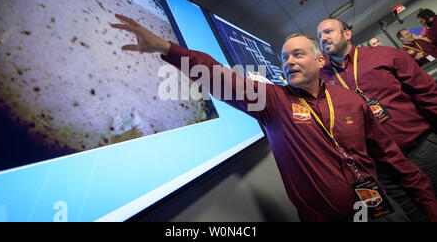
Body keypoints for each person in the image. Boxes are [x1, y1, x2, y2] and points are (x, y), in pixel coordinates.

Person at [110, 14, 437, 222]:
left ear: (320, 60)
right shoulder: (274, 102)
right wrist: (167, 48)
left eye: (298, 54)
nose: (289, 61)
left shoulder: (350, 101)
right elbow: (220, 76)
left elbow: (396, 162)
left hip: (380, 212)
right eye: (284, 58)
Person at [317, 18, 437, 221]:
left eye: (328, 31)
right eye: (319, 36)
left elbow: (428, 95)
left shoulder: (385, 55)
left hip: (420, 152)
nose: (323, 38)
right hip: (383, 171)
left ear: (347, 34)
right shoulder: (322, 81)